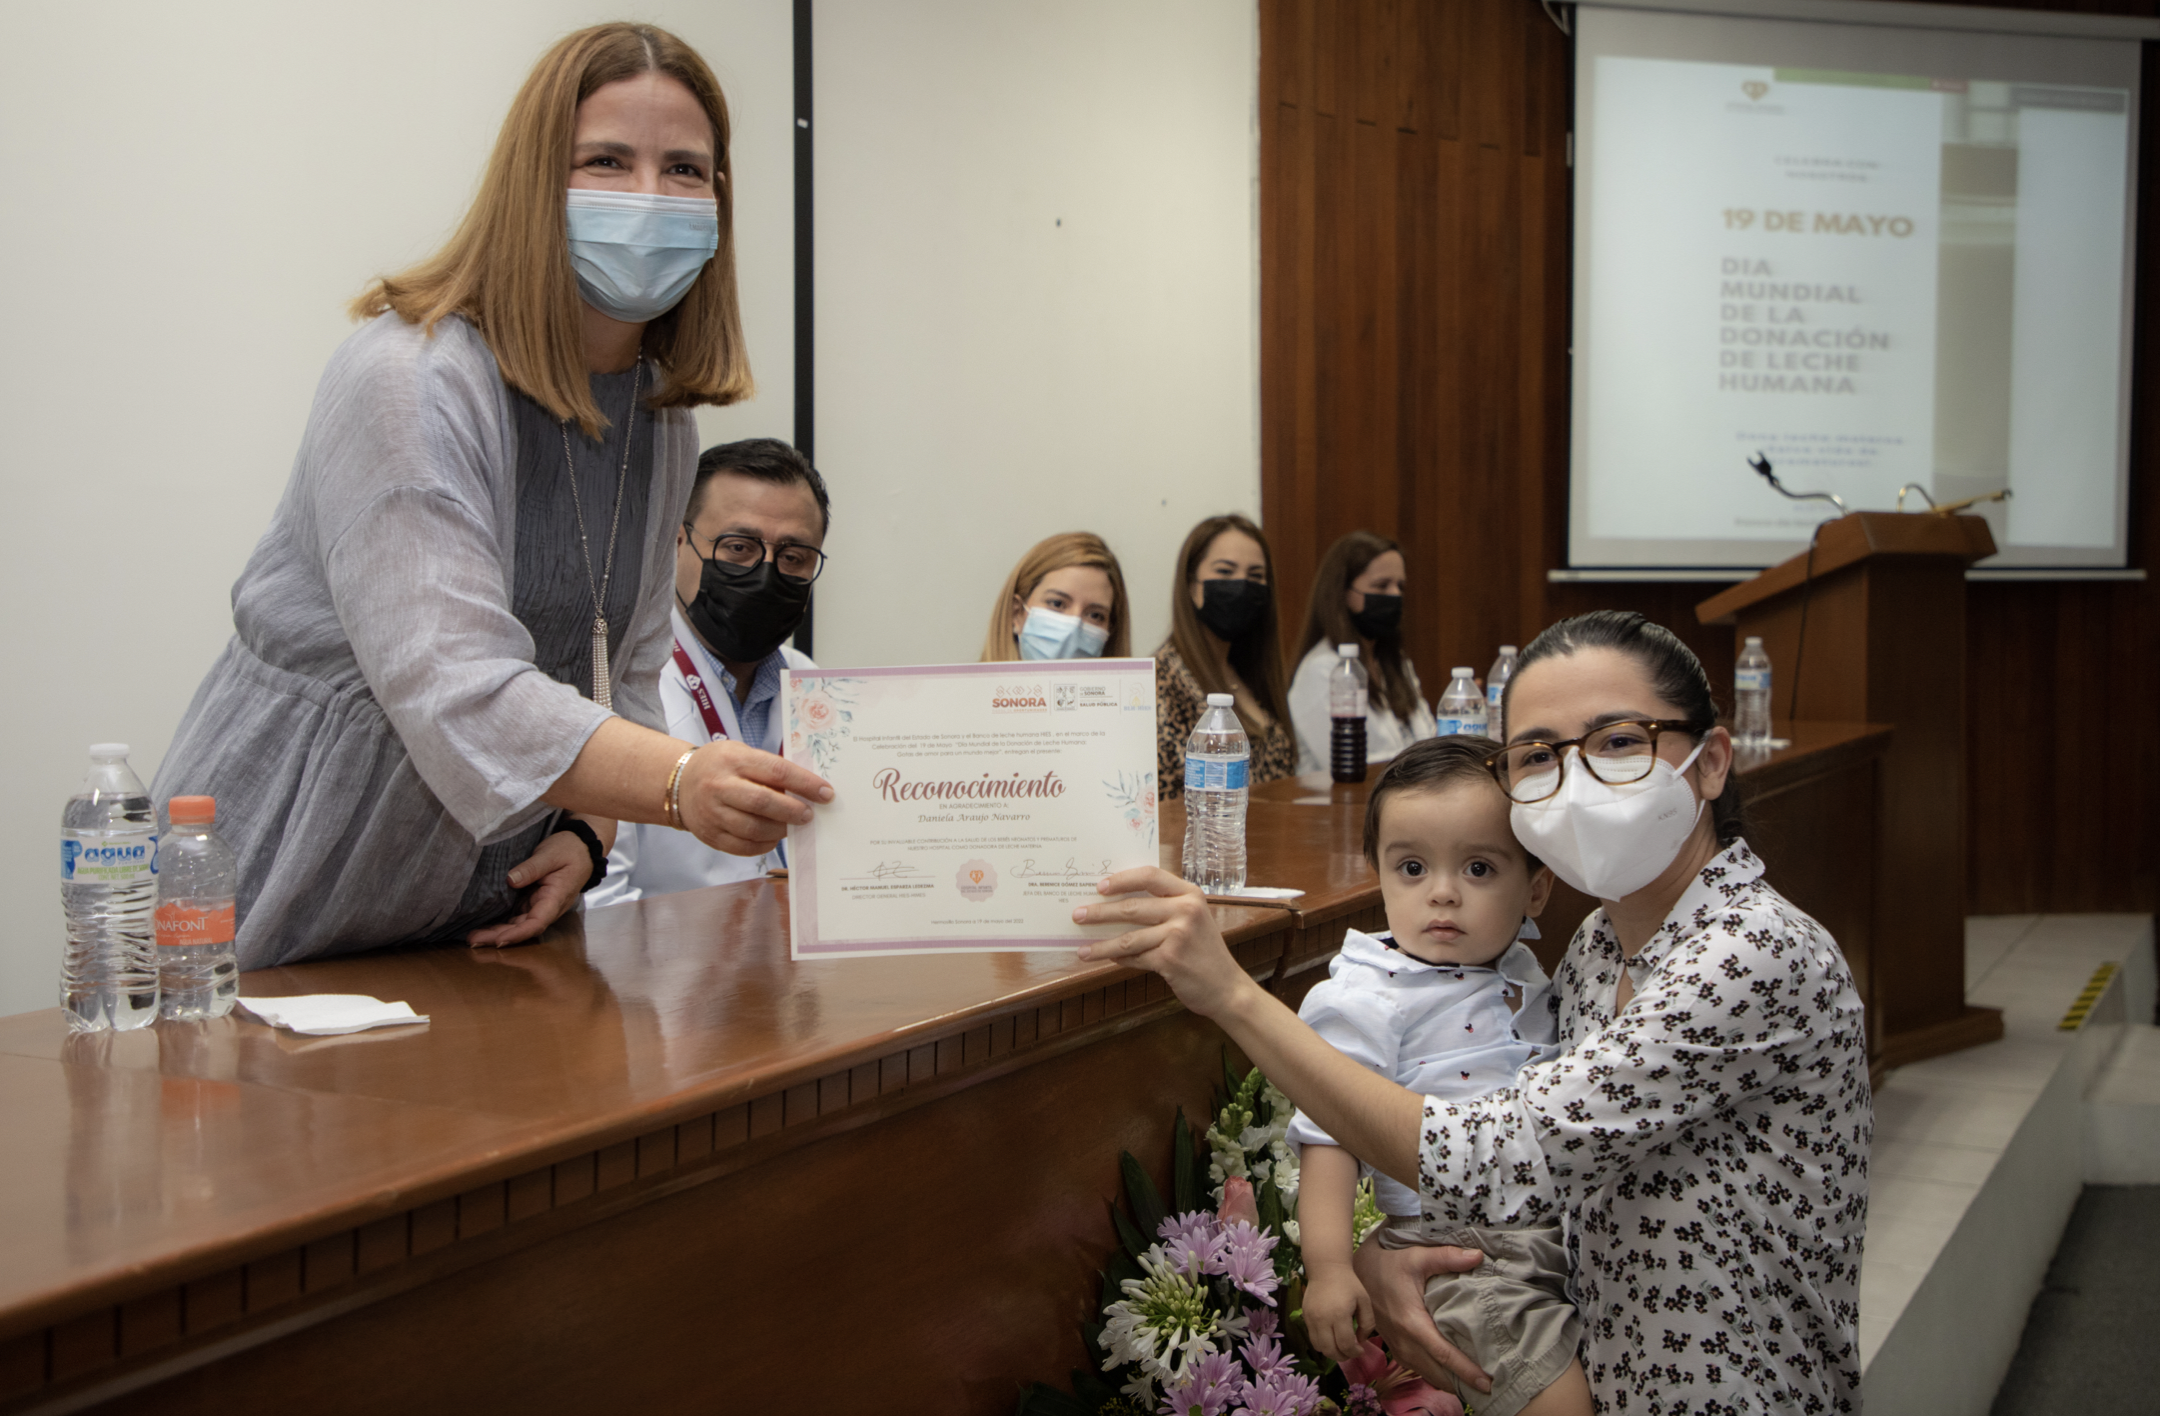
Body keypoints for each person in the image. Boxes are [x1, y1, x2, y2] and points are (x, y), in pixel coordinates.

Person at [151, 24, 832, 969]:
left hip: (471, 915)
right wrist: (680, 782)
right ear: (533, 183)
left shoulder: (658, 416)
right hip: (284, 888)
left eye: (685, 170)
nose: (649, 197)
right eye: (606, 160)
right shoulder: (410, 377)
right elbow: (457, 684)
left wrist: (591, 831)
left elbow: (627, 669)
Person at [1074, 610, 1870, 1414]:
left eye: (1619, 741)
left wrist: (1233, 995)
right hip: (1603, 1363)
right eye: (1538, 756)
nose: (1579, 778)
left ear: (1711, 763)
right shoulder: (1599, 942)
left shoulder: (1752, 951)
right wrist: (1378, 1250)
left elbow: (1500, 1153)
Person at [1293, 736, 1590, 1416]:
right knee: (1557, 1403)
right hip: (1458, 1251)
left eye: (1480, 868)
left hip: (1560, 1237)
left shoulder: (1521, 971)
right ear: (1378, 874)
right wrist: (1332, 1268)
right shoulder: (1366, 997)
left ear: (1536, 888)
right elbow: (1329, 1138)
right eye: (1413, 867)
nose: (1444, 894)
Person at [587, 439, 827, 906]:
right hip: (669, 975)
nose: (766, 572)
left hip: (797, 973)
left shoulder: (813, 684)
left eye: (794, 557)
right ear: (678, 542)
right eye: (738, 547)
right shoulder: (613, 686)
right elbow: (596, 900)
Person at [1155, 515, 1296, 797]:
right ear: (1191, 586)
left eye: (1255, 576)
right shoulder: (1162, 682)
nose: (1242, 585)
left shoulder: (1248, 674)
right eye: (1225, 571)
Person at [1288, 530, 1438, 773]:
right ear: (1343, 594)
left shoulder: (1395, 664)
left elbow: (1427, 741)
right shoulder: (1322, 670)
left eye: (1400, 586)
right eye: (1382, 586)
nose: (1395, 595)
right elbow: (1351, 766)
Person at [980, 532, 1132, 662]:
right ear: (1017, 612)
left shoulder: (1133, 695)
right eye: (1057, 604)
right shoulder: (963, 695)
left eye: (1095, 615)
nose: (1074, 626)